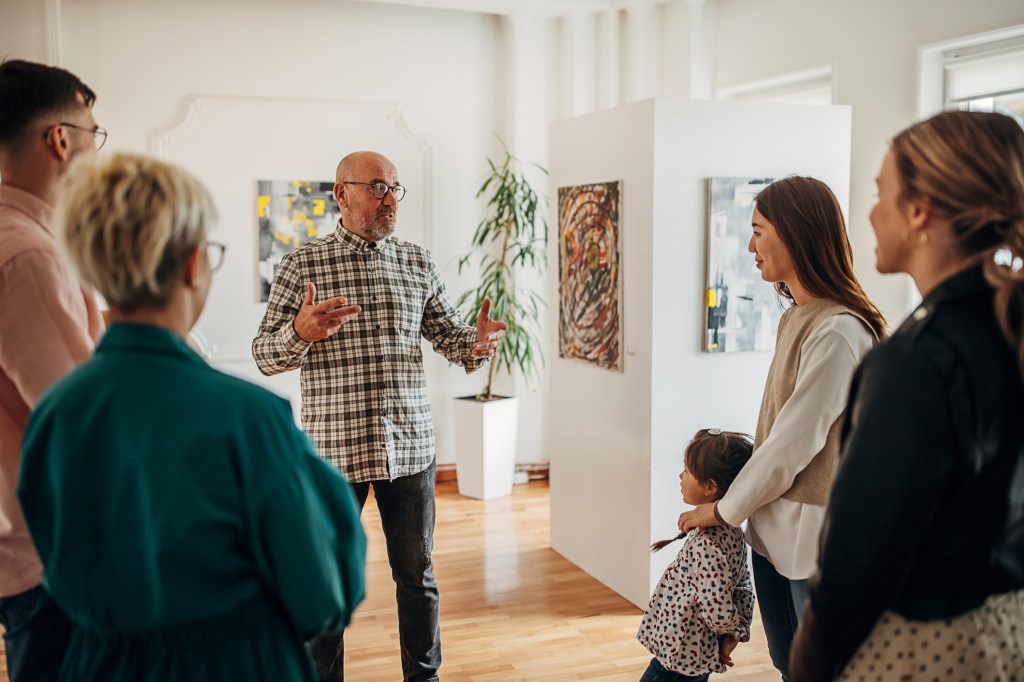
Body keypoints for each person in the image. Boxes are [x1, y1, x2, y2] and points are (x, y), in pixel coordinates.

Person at [17, 153, 367, 682]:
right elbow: (323, 596)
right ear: (191, 263)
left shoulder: (54, 413)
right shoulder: (250, 417)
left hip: (97, 664)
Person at [252, 150, 506, 682]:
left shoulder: (417, 260)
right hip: (332, 453)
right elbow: (264, 355)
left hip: (409, 448)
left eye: (395, 188)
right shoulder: (303, 264)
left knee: (418, 578)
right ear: (341, 194)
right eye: (376, 187)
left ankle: (424, 677)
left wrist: (477, 345)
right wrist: (301, 332)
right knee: (325, 582)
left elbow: (450, 336)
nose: (389, 199)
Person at [790, 111, 1024, 681]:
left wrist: (808, 664)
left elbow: (859, 559)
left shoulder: (915, 360)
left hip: (924, 647)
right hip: (1007, 628)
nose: (869, 213)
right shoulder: (1008, 330)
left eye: (880, 194)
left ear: (918, 213)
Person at [679, 176, 887, 681]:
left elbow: (791, 444)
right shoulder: (797, 316)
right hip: (773, 534)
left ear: (796, 233)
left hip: (811, 543)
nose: (750, 245)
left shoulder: (839, 331)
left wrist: (722, 510)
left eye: (758, 230)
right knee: (785, 664)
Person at [0, 59, 106, 682]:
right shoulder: (30, 258)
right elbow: (81, 419)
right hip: (50, 552)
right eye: (96, 133)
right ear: (61, 139)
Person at [638, 429, 755, 682]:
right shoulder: (732, 530)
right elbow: (743, 587)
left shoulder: (708, 545)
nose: (680, 476)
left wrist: (732, 630)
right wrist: (738, 630)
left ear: (711, 487)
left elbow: (717, 608)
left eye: (687, 471)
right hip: (694, 654)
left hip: (679, 654)